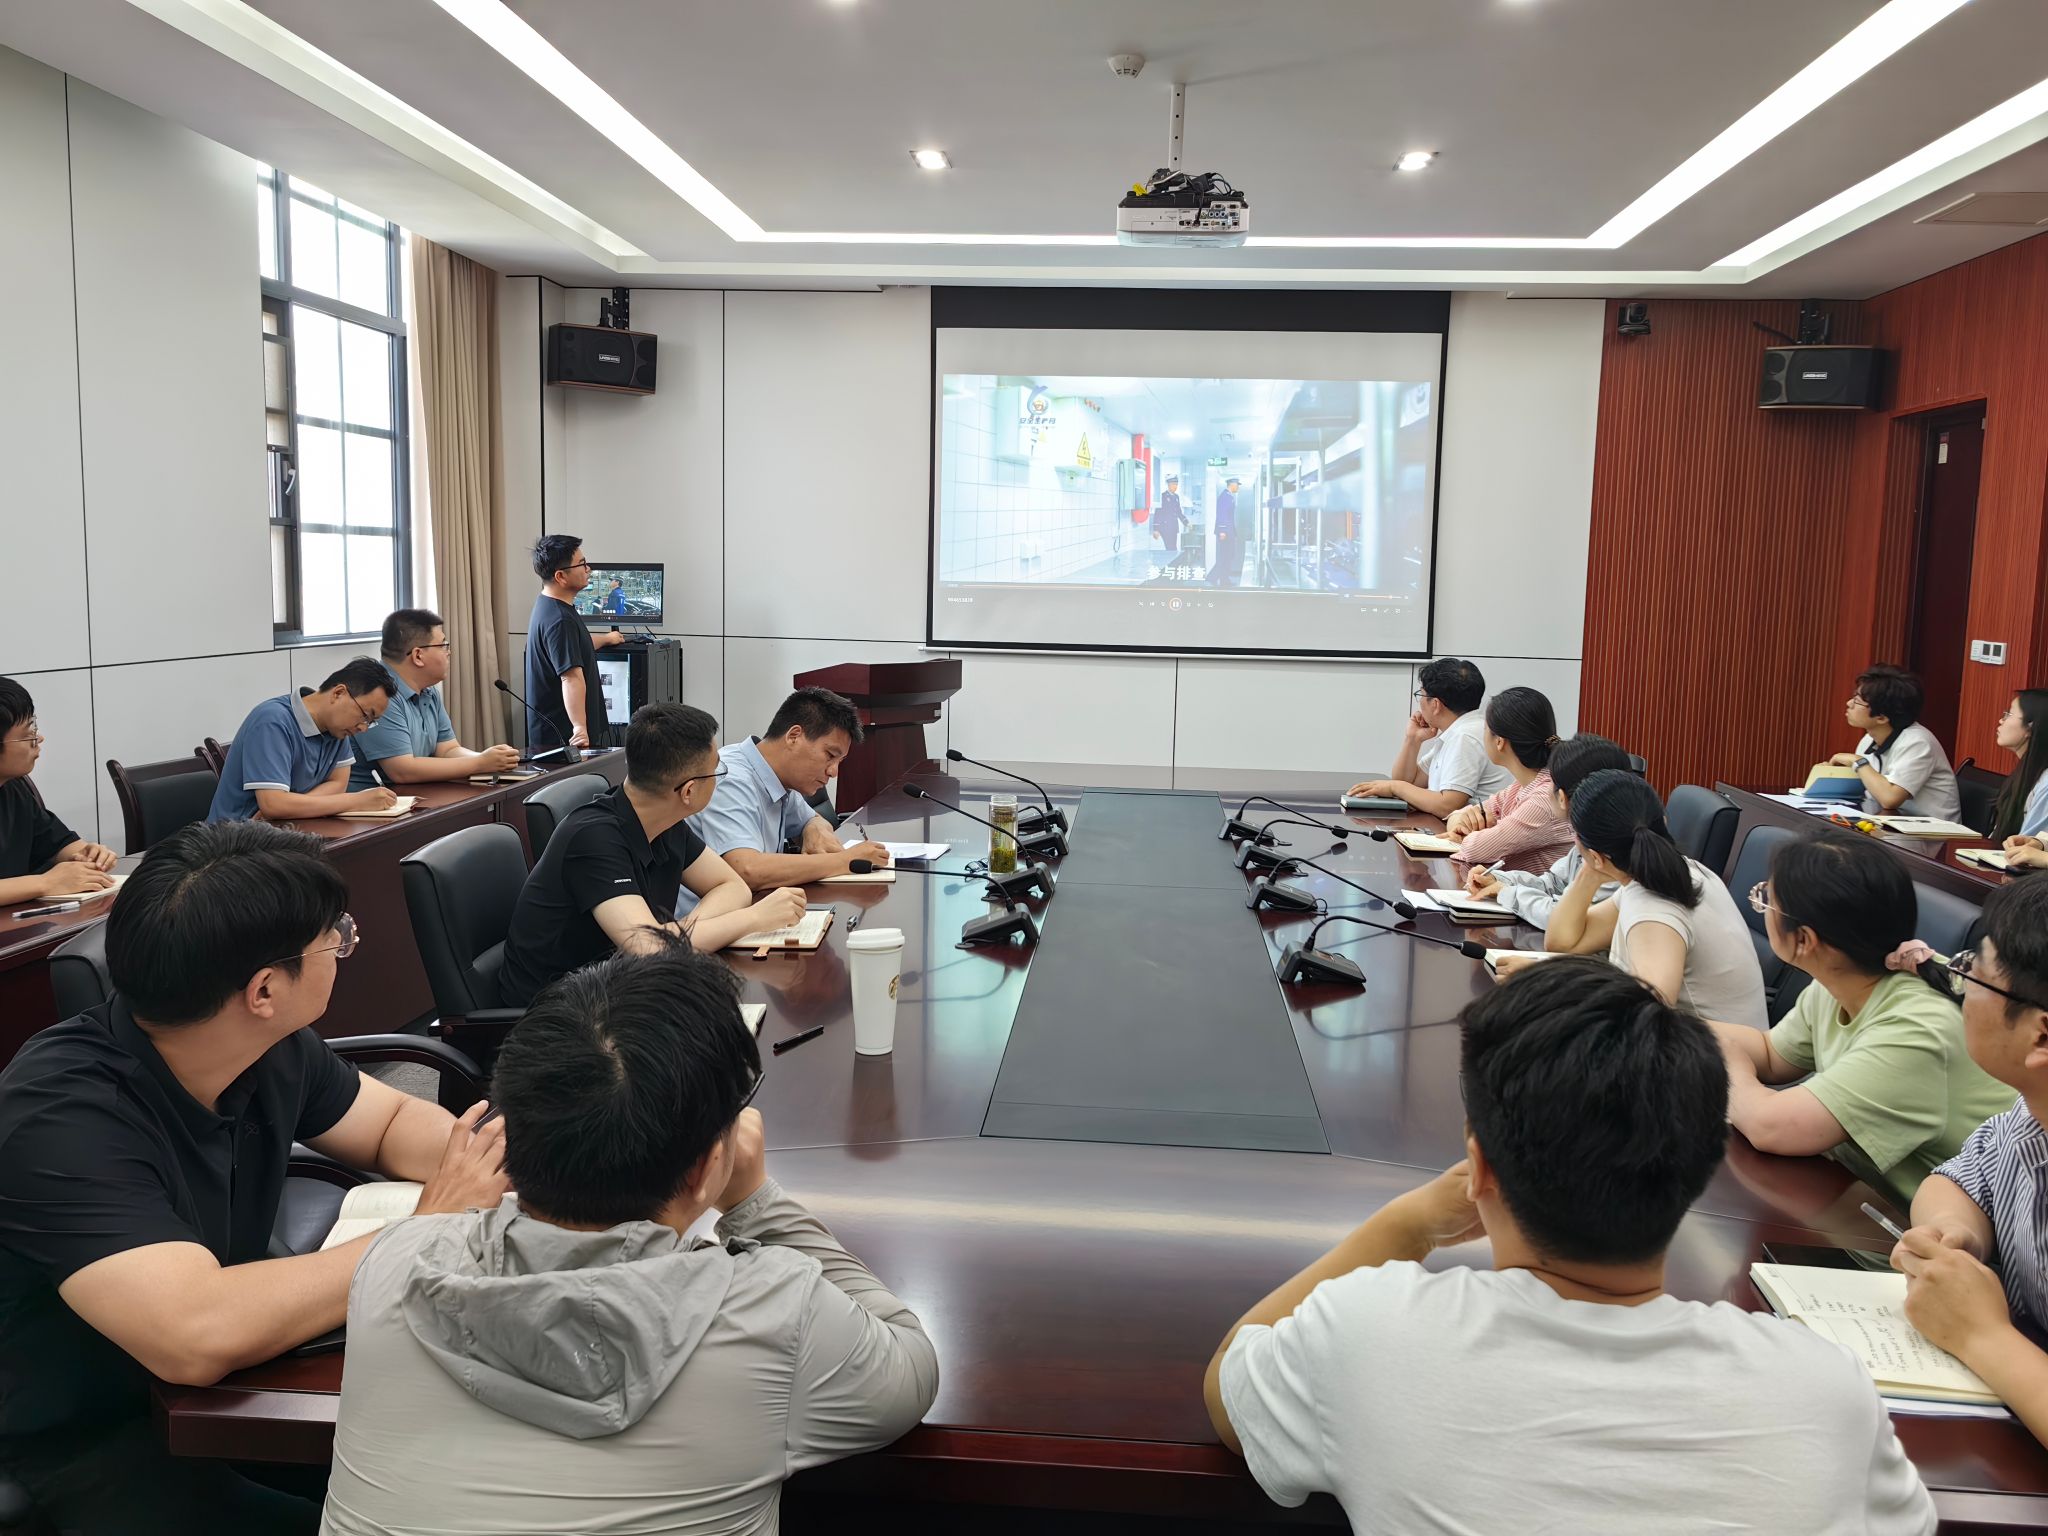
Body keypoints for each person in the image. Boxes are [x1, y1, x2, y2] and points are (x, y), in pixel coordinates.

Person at [1204, 958, 1935, 1535]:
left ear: (1478, 1171)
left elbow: (1228, 1391)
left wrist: (1406, 1226)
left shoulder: (1371, 1330)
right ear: (1699, 1169)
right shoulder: (1826, 1390)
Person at [320, 943, 940, 1535]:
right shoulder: (776, 1314)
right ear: (705, 1168)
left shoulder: (393, 1262)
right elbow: (910, 1363)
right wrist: (754, 1199)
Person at [0, 820, 511, 1535]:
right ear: (265, 988)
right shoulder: (59, 1116)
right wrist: (425, 1230)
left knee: (457, 1477)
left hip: (224, 1391)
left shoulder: (260, 1043)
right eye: (335, 937)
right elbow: (193, 1332)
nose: (345, 945)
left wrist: (518, 1165)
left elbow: (389, 1124)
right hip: (86, 1440)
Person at [1711, 833, 2008, 1202]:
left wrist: (1728, 1064)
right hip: (1857, 1196)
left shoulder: (1916, 1028)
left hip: (1931, 1227)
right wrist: (1682, 1028)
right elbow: (1772, 1056)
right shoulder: (1844, 976)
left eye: (1768, 898)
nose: (1763, 904)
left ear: (1804, 940)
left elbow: (1769, 1127)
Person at [497, 702, 806, 1008]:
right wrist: (754, 918)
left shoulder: (664, 821)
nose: (718, 778)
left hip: (621, 991)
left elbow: (732, 886)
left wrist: (677, 936)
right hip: (559, 1013)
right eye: (716, 772)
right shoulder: (592, 838)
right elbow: (647, 948)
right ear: (688, 791)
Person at [1893, 875, 2048, 1447]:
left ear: (2041, 1036)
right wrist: (1956, 1236)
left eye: (1973, 973)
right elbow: (1956, 1181)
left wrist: (1983, 1335)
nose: (1960, 990)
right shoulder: (2030, 1114)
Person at [1546, 769, 1768, 1028]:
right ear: (1663, 820)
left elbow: (1648, 1015)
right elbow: (1564, 943)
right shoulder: (1677, 873)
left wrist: (1555, 988)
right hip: (1710, 1043)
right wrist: (1591, 871)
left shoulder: (1654, 910)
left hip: (1709, 1050)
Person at [688, 687, 891, 899]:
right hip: (707, 917)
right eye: (830, 755)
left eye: (839, 761)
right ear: (794, 736)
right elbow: (746, 870)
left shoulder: (777, 777)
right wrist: (846, 861)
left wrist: (812, 827)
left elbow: (813, 819)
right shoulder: (732, 779)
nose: (833, 772)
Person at [1464, 733, 1632, 930]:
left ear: (1562, 797)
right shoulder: (1589, 836)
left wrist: (1507, 892)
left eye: (1550, 780)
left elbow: (1563, 917)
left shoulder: (1613, 854)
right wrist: (1499, 880)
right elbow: (1552, 883)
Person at [207, 657, 399, 822]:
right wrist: (355, 801)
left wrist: (290, 807)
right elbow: (273, 804)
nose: (363, 728)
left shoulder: (338, 729)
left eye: (370, 722)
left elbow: (338, 783)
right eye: (365, 715)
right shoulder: (272, 721)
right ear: (338, 693)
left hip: (283, 830)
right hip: (233, 840)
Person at [347, 609, 521, 790]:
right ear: (418, 656)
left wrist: (490, 759)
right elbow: (402, 771)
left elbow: (447, 750)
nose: (449, 652)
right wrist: (480, 763)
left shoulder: (428, 690)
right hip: (371, 802)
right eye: (444, 645)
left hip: (415, 795)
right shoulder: (379, 695)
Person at [0, 676, 117, 904]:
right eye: (27, 734)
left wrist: (90, 855)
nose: (39, 738)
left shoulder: (14, 788)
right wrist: (46, 883)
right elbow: (49, 880)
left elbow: (57, 843)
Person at [1347, 657, 1512, 819]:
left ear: (1435, 704)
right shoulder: (1460, 730)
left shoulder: (1465, 736)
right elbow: (1410, 783)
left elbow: (1447, 806)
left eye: (1421, 694)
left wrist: (1395, 787)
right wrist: (1412, 739)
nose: (1420, 702)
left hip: (1473, 834)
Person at [1443, 686, 1572, 874]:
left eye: (1485, 729)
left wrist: (1469, 833)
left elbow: (1477, 849)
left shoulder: (1544, 799)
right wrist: (1460, 821)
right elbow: (1457, 815)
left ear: (1499, 742)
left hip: (1535, 892)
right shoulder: (1521, 786)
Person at [525, 533, 627, 753]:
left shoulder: (549, 606)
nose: (588, 569)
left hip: (560, 735)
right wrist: (579, 727)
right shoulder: (560, 620)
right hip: (566, 739)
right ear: (561, 576)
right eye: (582, 564)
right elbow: (570, 678)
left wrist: (607, 639)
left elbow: (571, 646)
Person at [1829, 664, 1962, 823]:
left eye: (1857, 701)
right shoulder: (1869, 739)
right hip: (1889, 824)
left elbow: (1890, 799)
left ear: (1882, 718)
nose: (1849, 703)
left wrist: (1858, 762)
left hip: (1931, 833)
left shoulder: (1918, 742)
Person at [1988, 689, 2048, 869]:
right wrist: (2040, 843)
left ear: (2030, 727)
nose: (2001, 720)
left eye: (2008, 714)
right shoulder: (2025, 773)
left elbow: (2026, 857)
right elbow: (2026, 846)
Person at [1206, 475, 1243, 588]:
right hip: (1225, 532)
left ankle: (1223, 579)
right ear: (1232, 485)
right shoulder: (1225, 497)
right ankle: (1214, 578)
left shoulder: (1229, 496)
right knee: (1225, 557)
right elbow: (1222, 514)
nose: (1238, 487)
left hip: (1229, 531)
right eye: (1237, 485)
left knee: (1228, 556)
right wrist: (1222, 530)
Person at [1153, 473, 1187, 554]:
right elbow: (1157, 513)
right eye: (1173, 484)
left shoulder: (1176, 497)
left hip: (1173, 527)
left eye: (1176, 484)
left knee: (1173, 548)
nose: (1175, 486)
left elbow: (1179, 512)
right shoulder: (1163, 496)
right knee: (1170, 549)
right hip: (1165, 528)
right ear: (1168, 485)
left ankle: (1172, 562)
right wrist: (1156, 529)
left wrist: (1186, 522)